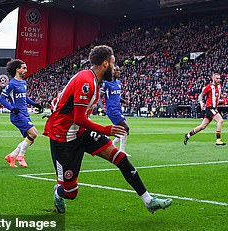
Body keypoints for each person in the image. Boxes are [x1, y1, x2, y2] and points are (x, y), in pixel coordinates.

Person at [43, 45, 171, 214]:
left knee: (120, 157)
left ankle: (149, 201)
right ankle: (58, 192)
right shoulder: (86, 82)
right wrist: (105, 129)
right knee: (71, 193)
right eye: (113, 63)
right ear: (105, 64)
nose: (115, 67)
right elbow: (78, 118)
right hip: (63, 138)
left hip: (81, 131)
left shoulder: (95, 82)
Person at [0, 59, 43, 168]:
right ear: (17, 69)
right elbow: (2, 98)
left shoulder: (23, 83)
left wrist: (35, 104)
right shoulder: (11, 84)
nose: (25, 70)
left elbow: (25, 97)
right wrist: (12, 108)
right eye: (23, 68)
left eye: (26, 68)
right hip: (17, 115)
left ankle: (11, 156)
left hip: (25, 114)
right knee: (33, 133)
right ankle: (21, 156)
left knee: (30, 139)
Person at [184, 72, 226, 146]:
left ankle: (188, 135)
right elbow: (201, 96)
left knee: (202, 126)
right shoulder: (209, 87)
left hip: (214, 108)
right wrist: (201, 103)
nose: (219, 80)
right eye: (217, 78)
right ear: (213, 78)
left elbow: (218, 95)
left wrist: (222, 96)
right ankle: (218, 140)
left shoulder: (219, 86)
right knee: (220, 120)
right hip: (210, 107)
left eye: (219, 78)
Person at [101, 66, 130, 152]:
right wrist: (103, 107)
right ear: (111, 72)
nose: (118, 72)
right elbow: (100, 96)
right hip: (112, 110)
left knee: (123, 129)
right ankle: (121, 151)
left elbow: (116, 96)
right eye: (116, 70)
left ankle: (112, 144)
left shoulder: (118, 82)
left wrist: (124, 101)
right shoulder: (106, 83)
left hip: (118, 109)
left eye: (119, 70)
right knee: (125, 128)